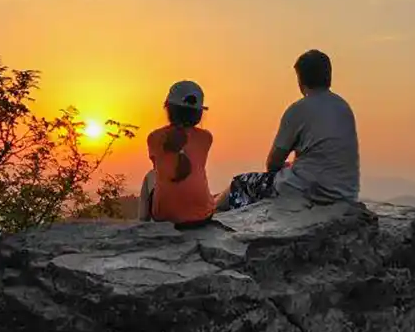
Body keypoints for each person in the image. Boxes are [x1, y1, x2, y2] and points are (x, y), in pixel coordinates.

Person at [217, 49, 359, 210]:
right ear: (329, 76)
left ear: (300, 80)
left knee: (241, 183)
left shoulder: (298, 110)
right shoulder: (343, 108)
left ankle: (211, 209)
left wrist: (287, 167)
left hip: (309, 193)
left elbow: (272, 164)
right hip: (345, 194)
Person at [138, 80, 215, 227]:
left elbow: (159, 169)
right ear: (199, 113)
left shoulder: (154, 138)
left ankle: (142, 224)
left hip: (165, 216)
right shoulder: (206, 138)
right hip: (201, 218)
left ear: (168, 108)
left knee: (150, 176)